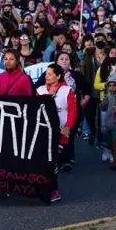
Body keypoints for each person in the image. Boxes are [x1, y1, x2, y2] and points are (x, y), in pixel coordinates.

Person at [36, 63, 77, 203]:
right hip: (43, 132)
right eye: (46, 74)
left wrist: (67, 127)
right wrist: (48, 96)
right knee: (44, 162)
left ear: (58, 76)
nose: (46, 76)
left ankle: (53, 190)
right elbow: (35, 108)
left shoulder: (67, 90)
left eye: (50, 74)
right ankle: (44, 188)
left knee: (52, 162)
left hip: (59, 133)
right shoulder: (40, 90)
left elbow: (72, 111)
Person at [101, 78, 116, 171]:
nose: (112, 88)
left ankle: (115, 161)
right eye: (110, 86)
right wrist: (102, 104)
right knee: (109, 141)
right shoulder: (106, 96)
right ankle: (110, 152)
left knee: (115, 141)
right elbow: (102, 108)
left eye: (114, 86)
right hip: (108, 123)